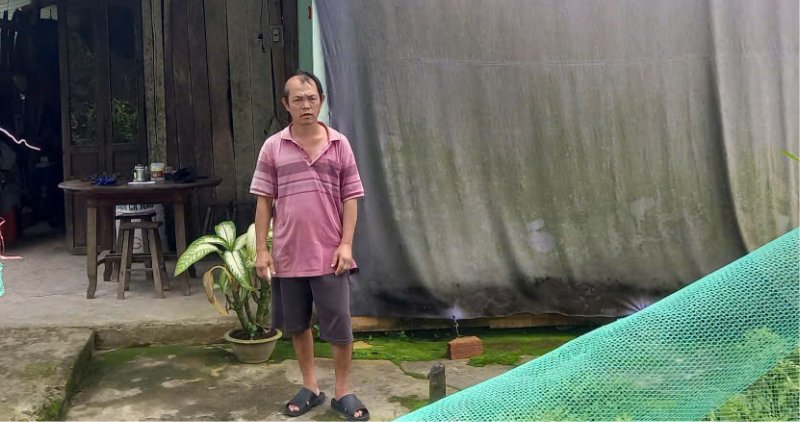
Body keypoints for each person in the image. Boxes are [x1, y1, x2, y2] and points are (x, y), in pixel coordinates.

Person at [250, 71, 369, 421]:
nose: (306, 105)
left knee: (340, 327)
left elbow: (351, 198)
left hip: (331, 255)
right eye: (298, 99)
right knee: (297, 325)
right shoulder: (273, 147)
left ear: (322, 100)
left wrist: (346, 245)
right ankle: (311, 387)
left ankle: (343, 392)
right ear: (286, 104)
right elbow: (263, 202)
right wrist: (262, 250)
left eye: (312, 98)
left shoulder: (339, 144)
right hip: (288, 256)